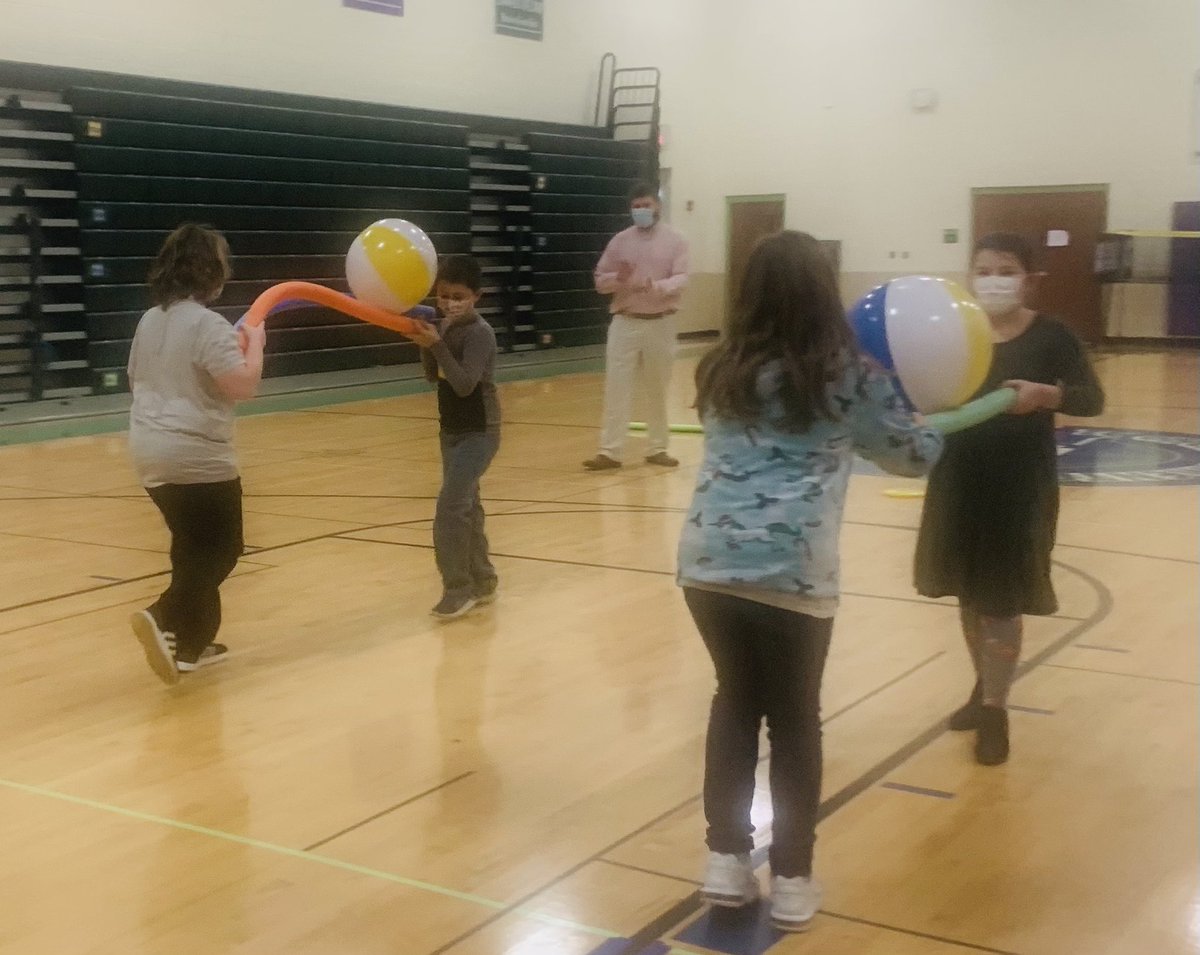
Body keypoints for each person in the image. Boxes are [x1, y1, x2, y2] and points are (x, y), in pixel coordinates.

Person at [677, 231, 943, 932]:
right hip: (793, 572)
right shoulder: (848, 376)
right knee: (795, 719)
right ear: (824, 294)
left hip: (708, 565)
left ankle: (725, 863)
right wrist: (929, 420)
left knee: (735, 702)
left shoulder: (718, 367)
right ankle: (792, 875)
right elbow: (913, 456)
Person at [915, 232, 1104, 765]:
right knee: (968, 594)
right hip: (956, 481)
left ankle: (995, 709)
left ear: (1028, 278)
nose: (993, 279)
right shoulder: (954, 332)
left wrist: (1051, 396)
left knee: (1000, 600)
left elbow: (1092, 398)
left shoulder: (1053, 336)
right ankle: (983, 687)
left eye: (1005, 269)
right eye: (984, 269)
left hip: (1019, 487)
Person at [127, 224, 266, 685]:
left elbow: (137, 379)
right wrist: (257, 348)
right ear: (212, 272)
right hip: (197, 455)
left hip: (149, 451)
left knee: (191, 551)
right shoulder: (208, 325)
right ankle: (162, 613)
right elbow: (242, 385)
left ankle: (190, 647)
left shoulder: (149, 320)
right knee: (224, 548)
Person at [406, 255, 500, 620]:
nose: (449, 303)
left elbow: (463, 384)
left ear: (476, 296)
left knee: (450, 509)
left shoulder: (480, 333)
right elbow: (434, 375)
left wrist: (437, 344)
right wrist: (424, 342)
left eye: (458, 296)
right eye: (443, 296)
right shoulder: (443, 326)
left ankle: (457, 588)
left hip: (480, 431)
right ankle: (484, 579)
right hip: (452, 429)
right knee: (468, 507)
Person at [583, 181, 689, 471]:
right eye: (636, 206)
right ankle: (610, 451)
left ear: (658, 206)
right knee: (617, 387)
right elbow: (599, 280)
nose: (641, 210)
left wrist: (657, 287)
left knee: (658, 387)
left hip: (661, 321)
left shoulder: (676, 240)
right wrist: (619, 277)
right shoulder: (620, 241)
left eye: (646, 204)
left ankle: (658, 448)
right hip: (626, 320)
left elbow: (682, 278)